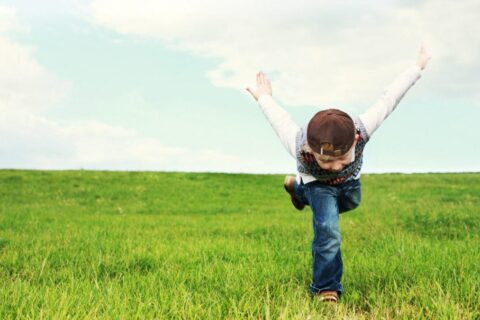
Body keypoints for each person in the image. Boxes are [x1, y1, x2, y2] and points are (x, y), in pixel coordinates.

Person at [246, 44, 430, 303]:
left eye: (342, 158)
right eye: (326, 160)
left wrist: (417, 68)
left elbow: (389, 98)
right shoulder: (297, 143)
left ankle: (298, 193)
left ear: (354, 142)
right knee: (328, 229)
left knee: (352, 203)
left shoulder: (362, 129)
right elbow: (279, 118)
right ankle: (326, 288)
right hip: (318, 186)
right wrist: (263, 96)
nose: (335, 167)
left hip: (349, 187)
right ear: (311, 148)